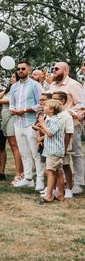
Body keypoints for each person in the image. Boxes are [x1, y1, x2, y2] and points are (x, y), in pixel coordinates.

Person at [48, 62, 84, 194]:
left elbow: (81, 105)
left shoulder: (74, 84)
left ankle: (79, 183)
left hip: (72, 125)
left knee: (75, 153)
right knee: (58, 154)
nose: (54, 70)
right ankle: (60, 183)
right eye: (53, 68)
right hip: (55, 127)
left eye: (56, 69)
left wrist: (65, 113)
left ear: (66, 70)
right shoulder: (52, 85)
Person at [9, 61, 43, 190]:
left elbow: (40, 104)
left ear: (28, 70)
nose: (20, 70)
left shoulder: (35, 85)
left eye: (23, 68)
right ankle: (28, 179)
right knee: (24, 153)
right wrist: (13, 109)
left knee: (36, 153)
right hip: (18, 123)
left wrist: (24, 110)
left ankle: (40, 179)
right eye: (18, 69)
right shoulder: (14, 87)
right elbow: (12, 102)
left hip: (31, 123)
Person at [37, 100, 65, 203]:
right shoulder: (51, 119)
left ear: (51, 110)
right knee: (58, 173)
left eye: (45, 106)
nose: (43, 107)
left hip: (54, 151)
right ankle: (60, 195)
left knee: (51, 172)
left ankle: (49, 195)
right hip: (53, 150)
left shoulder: (54, 120)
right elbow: (48, 132)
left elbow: (50, 133)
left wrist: (43, 124)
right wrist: (40, 126)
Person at [51, 91, 75, 198]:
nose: (52, 101)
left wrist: (64, 148)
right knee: (55, 168)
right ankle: (57, 188)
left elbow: (68, 133)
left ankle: (69, 189)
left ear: (62, 101)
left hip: (63, 146)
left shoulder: (67, 116)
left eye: (55, 99)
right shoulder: (51, 115)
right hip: (52, 146)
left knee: (65, 166)